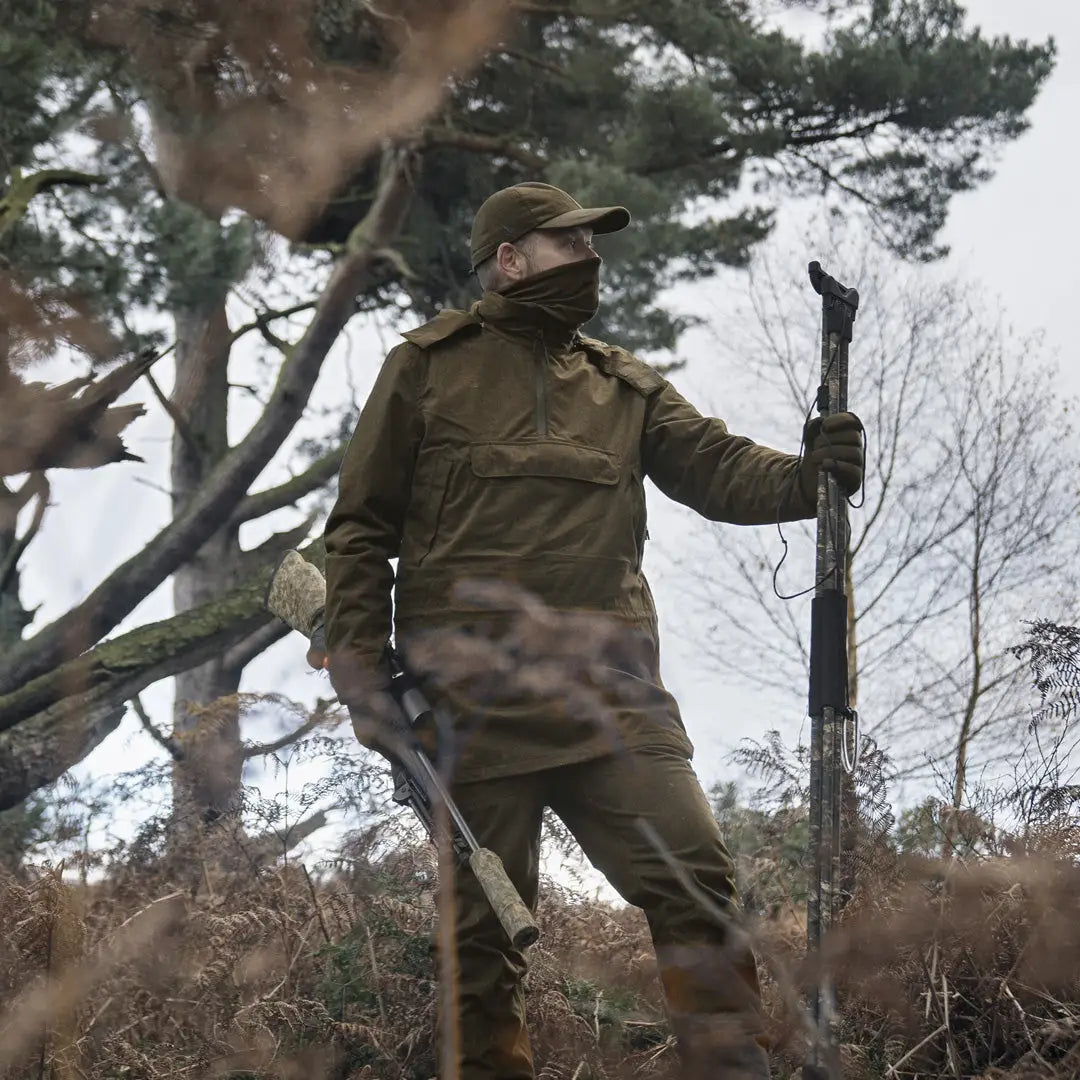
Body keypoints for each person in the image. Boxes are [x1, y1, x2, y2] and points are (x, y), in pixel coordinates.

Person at [323, 182, 864, 1079]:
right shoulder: (425, 368)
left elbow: (721, 469)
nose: (592, 258)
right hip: (469, 709)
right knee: (482, 943)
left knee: (696, 882)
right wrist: (361, 673)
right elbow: (360, 529)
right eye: (569, 242)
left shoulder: (625, 386)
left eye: (593, 243)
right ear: (509, 259)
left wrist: (810, 471)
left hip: (615, 703)